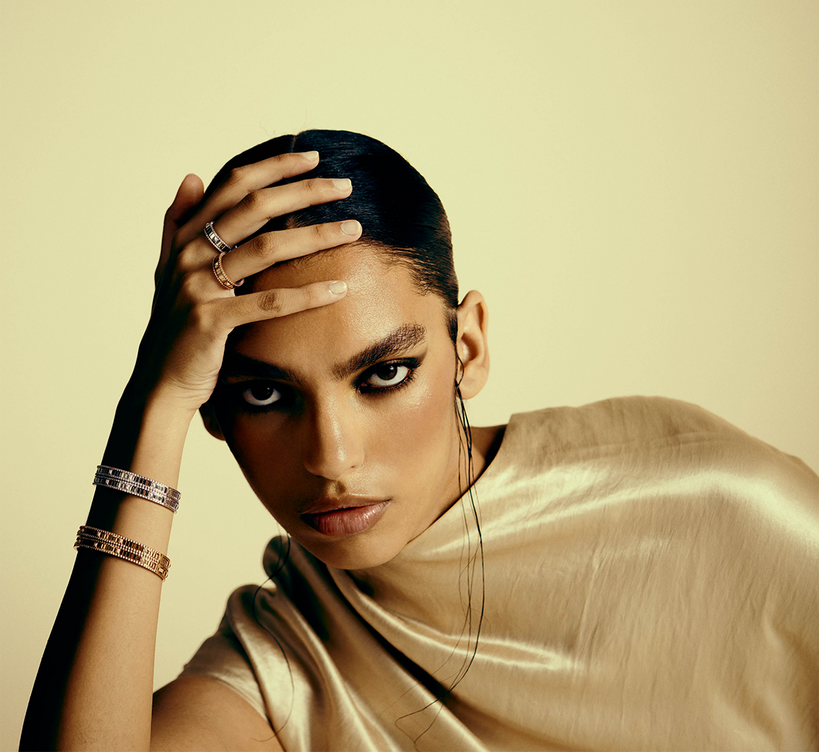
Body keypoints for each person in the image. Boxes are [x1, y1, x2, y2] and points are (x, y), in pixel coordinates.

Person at [21, 130, 819, 752]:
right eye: (264, 395)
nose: (331, 458)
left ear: (466, 347)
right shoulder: (287, 660)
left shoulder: (714, 508)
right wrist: (151, 408)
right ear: (214, 409)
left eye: (383, 374)